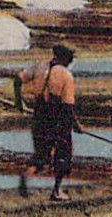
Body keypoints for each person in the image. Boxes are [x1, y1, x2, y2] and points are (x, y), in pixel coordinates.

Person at [13, 42, 83, 201]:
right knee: (63, 154)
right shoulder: (66, 75)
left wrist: (19, 102)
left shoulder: (39, 67)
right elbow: (67, 107)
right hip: (57, 119)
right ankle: (56, 191)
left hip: (39, 115)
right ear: (66, 58)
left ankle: (25, 176)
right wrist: (76, 125)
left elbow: (18, 79)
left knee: (42, 154)